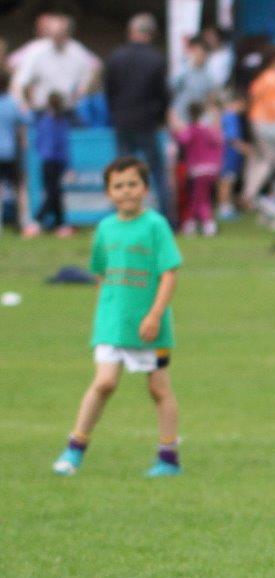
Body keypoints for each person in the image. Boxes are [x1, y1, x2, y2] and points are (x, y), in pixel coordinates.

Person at [52, 157, 183, 478]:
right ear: (109, 193)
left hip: (151, 327)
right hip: (112, 324)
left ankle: (168, 458)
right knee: (105, 382)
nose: (126, 192)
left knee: (158, 389)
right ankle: (74, 450)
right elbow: (101, 273)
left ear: (145, 188)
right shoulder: (105, 228)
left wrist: (154, 314)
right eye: (118, 186)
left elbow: (169, 274)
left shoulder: (155, 225)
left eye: (132, 184)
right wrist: (107, 312)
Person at [104, 14, 172, 223]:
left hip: (122, 121)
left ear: (130, 32)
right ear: (151, 34)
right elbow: (164, 95)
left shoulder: (115, 57)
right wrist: (159, 117)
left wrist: (115, 113)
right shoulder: (157, 59)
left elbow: (109, 91)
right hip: (147, 122)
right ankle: (168, 217)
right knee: (157, 172)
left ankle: (122, 215)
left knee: (122, 172)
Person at [9, 14, 99, 112]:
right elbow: (19, 81)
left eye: (61, 33)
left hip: (69, 109)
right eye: (54, 33)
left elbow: (93, 69)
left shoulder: (77, 51)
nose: (57, 37)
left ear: (68, 33)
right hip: (42, 109)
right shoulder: (36, 50)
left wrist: (81, 92)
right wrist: (23, 104)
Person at [241, 45, 275, 217]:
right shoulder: (273, 78)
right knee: (270, 161)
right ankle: (251, 194)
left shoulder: (264, 77)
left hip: (260, 122)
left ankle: (251, 193)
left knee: (259, 159)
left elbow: (252, 97)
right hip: (270, 124)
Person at [173, 101, 223, 236]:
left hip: (198, 169)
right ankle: (199, 224)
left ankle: (201, 224)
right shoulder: (208, 130)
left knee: (199, 198)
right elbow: (218, 141)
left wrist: (176, 125)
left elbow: (181, 139)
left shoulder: (191, 130)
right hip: (211, 168)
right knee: (201, 197)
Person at [29, 91, 71, 237]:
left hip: (49, 160)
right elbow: (62, 144)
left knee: (55, 192)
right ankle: (38, 220)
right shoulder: (56, 121)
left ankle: (59, 223)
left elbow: (39, 142)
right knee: (54, 192)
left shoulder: (47, 120)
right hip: (53, 161)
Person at [0, 68, 25, 234]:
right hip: (10, 153)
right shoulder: (12, 103)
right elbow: (25, 120)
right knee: (18, 188)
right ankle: (19, 223)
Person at [216, 92, 247, 220]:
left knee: (227, 180)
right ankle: (224, 208)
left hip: (228, 154)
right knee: (226, 181)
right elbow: (232, 138)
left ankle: (226, 206)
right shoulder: (231, 116)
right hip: (228, 155)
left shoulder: (226, 116)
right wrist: (245, 148)